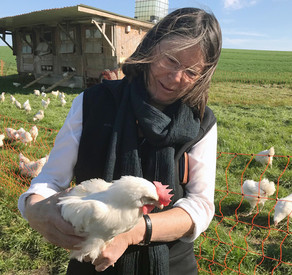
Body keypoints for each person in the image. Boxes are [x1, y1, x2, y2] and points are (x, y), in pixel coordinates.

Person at [18, 7, 222, 275]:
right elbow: (50, 180)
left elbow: (201, 205)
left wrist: (132, 232)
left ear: (203, 76)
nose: (176, 79)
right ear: (152, 48)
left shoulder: (201, 122)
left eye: (191, 72)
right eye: (171, 60)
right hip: (93, 261)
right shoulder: (93, 103)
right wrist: (35, 209)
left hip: (171, 266)